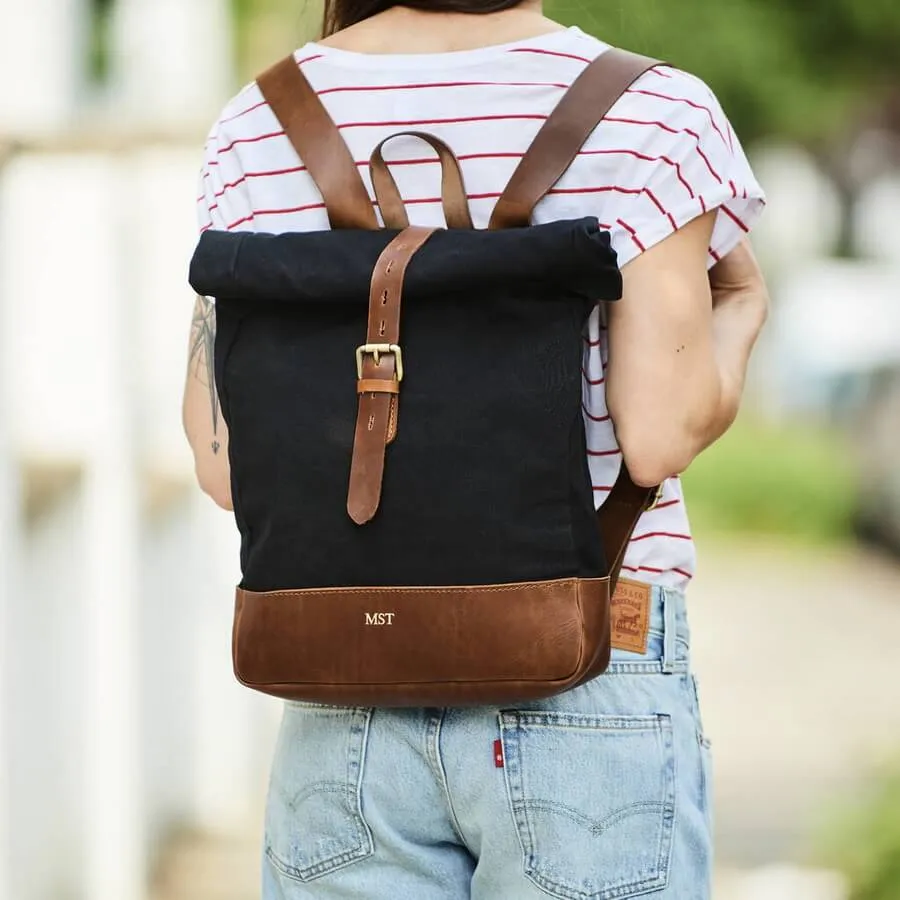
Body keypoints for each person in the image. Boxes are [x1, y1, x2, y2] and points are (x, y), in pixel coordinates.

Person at [183, 1, 769, 897]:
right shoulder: (655, 111)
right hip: (584, 671)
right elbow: (654, 438)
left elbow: (225, 465)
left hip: (344, 684)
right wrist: (741, 314)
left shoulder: (261, 120)